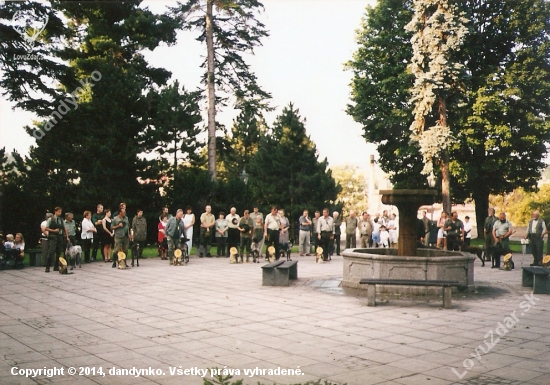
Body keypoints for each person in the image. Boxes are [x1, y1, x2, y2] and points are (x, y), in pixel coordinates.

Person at [45, 207, 66, 272]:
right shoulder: (51, 219)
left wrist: (65, 235)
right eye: (59, 211)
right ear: (55, 211)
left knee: (58, 252)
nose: (60, 213)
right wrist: (53, 230)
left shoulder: (61, 219)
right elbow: (46, 228)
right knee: (51, 251)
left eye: (61, 211)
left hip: (60, 236)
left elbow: (64, 227)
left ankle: (56, 266)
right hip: (53, 236)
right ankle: (47, 267)